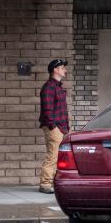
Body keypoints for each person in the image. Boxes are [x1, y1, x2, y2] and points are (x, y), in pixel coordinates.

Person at [39, 59, 69, 194]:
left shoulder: (58, 87)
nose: (65, 70)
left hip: (62, 127)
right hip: (54, 128)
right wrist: (52, 126)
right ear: (55, 70)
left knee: (59, 156)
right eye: (62, 68)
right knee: (52, 156)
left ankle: (54, 182)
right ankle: (45, 184)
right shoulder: (49, 87)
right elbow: (47, 110)